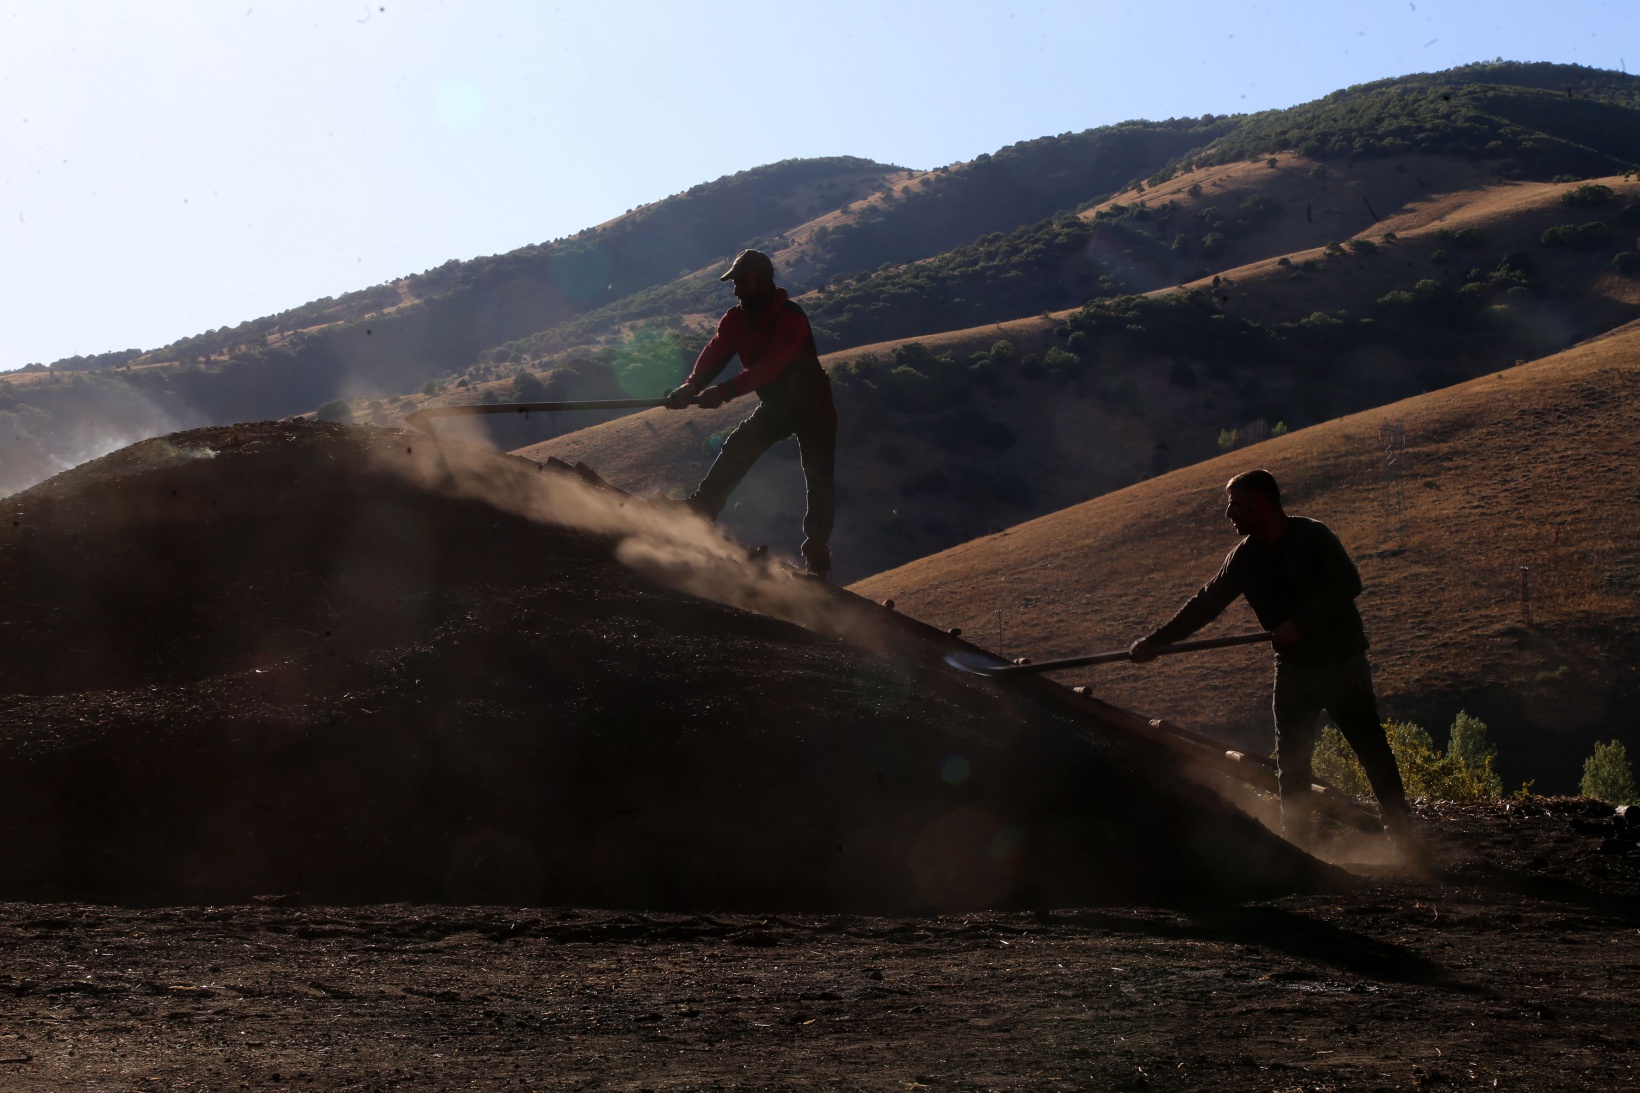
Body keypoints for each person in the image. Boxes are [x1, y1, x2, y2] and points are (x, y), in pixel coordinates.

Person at [1129, 469, 1421, 861]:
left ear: (1258, 504)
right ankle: (1298, 846)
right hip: (1293, 669)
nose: (1228, 515)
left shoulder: (1313, 536)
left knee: (1370, 748)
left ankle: (1403, 842)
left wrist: (1299, 622)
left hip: (1340, 664)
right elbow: (1206, 604)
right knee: (1292, 759)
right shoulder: (1244, 559)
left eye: (1233, 504)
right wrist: (1156, 642)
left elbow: (1349, 584)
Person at [665, 249, 837, 579]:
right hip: (777, 406)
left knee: (818, 479)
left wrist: (724, 392)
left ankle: (817, 555)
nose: (736, 290)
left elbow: (769, 369)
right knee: (739, 447)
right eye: (734, 283)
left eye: (742, 283)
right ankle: (701, 510)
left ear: (764, 282)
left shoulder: (791, 318)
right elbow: (716, 351)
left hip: (813, 406)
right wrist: (693, 385)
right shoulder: (736, 318)